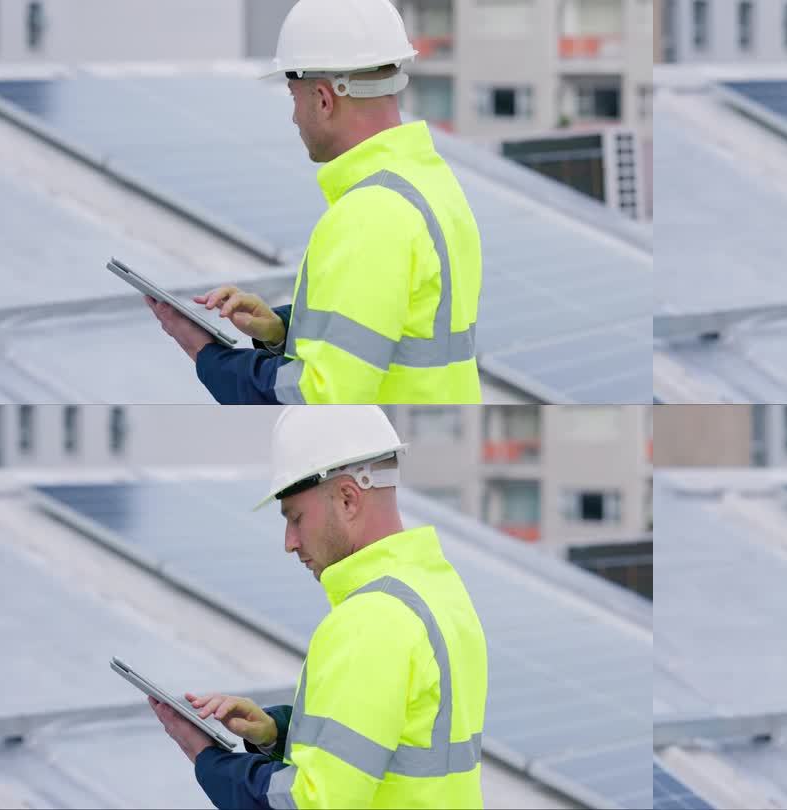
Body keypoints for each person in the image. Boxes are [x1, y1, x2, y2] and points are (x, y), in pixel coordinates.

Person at [148, 405, 488, 809]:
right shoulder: (436, 588)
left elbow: (315, 803)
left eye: (295, 518)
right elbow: (397, 741)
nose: (289, 542)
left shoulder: (370, 620)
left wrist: (208, 761)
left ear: (347, 499)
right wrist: (277, 732)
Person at [148, 0, 483, 405]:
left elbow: (319, 396)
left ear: (323, 99)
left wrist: (205, 354)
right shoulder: (430, 181)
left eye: (295, 97)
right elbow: (391, 331)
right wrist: (280, 330)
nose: (294, 117)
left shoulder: (370, 214)